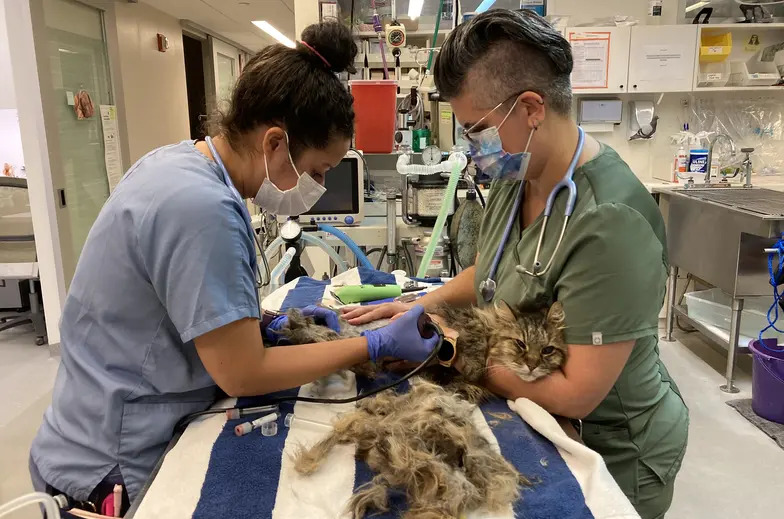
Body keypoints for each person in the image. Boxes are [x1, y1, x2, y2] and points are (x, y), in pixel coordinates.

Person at [29, 22, 439, 511]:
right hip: (113, 461)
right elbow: (242, 374)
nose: (317, 187)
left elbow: (179, 307)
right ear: (273, 144)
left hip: (99, 426)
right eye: (316, 172)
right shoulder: (200, 207)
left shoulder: (182, 165)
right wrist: (370, 344)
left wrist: (267, 323)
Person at [343, 10, 689, 519]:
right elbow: (487, 273)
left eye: (476, 129)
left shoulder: (611, 223)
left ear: (530, 108)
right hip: (533, 416)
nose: (470, 147)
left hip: (609, 448)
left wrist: (450, 351)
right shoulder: (514, 175)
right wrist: (413, 304)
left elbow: (575, 396)